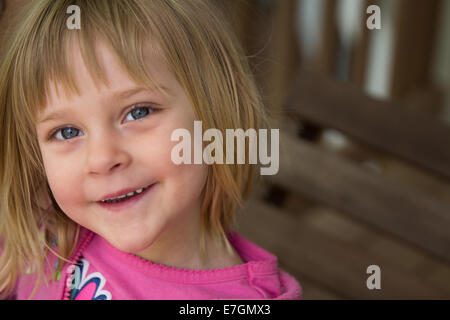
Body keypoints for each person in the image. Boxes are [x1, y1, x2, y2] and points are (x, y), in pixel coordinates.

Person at [0, 0, 301, 300]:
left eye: (138, 112)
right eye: (67, 132)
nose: (102, 159)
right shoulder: (37, 241)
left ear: (214, 113)